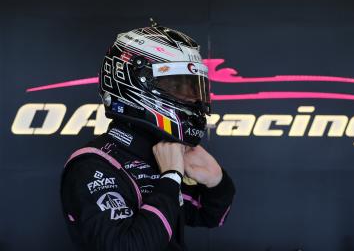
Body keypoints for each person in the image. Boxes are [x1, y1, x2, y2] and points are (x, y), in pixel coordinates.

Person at [60, 21, 236, 251]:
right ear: (130, 81)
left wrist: (216, 182)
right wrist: (171, 178)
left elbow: (210, 216)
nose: (194, 101)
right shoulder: (91, 165)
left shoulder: (160, 153)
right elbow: (127, 247)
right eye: (178, 87)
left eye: (194, 88)